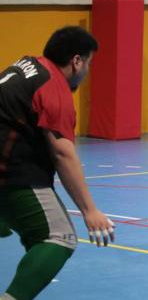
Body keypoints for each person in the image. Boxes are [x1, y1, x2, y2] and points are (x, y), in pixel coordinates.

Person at [0, 26, 115, 300]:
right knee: (59, 237)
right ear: (77, 61)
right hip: (10, 173)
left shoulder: (26, 64)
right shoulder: (53, 86)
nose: (88, 71)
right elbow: (62, 154)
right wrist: (90, 210)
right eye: (89, 63)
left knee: (18, 222)